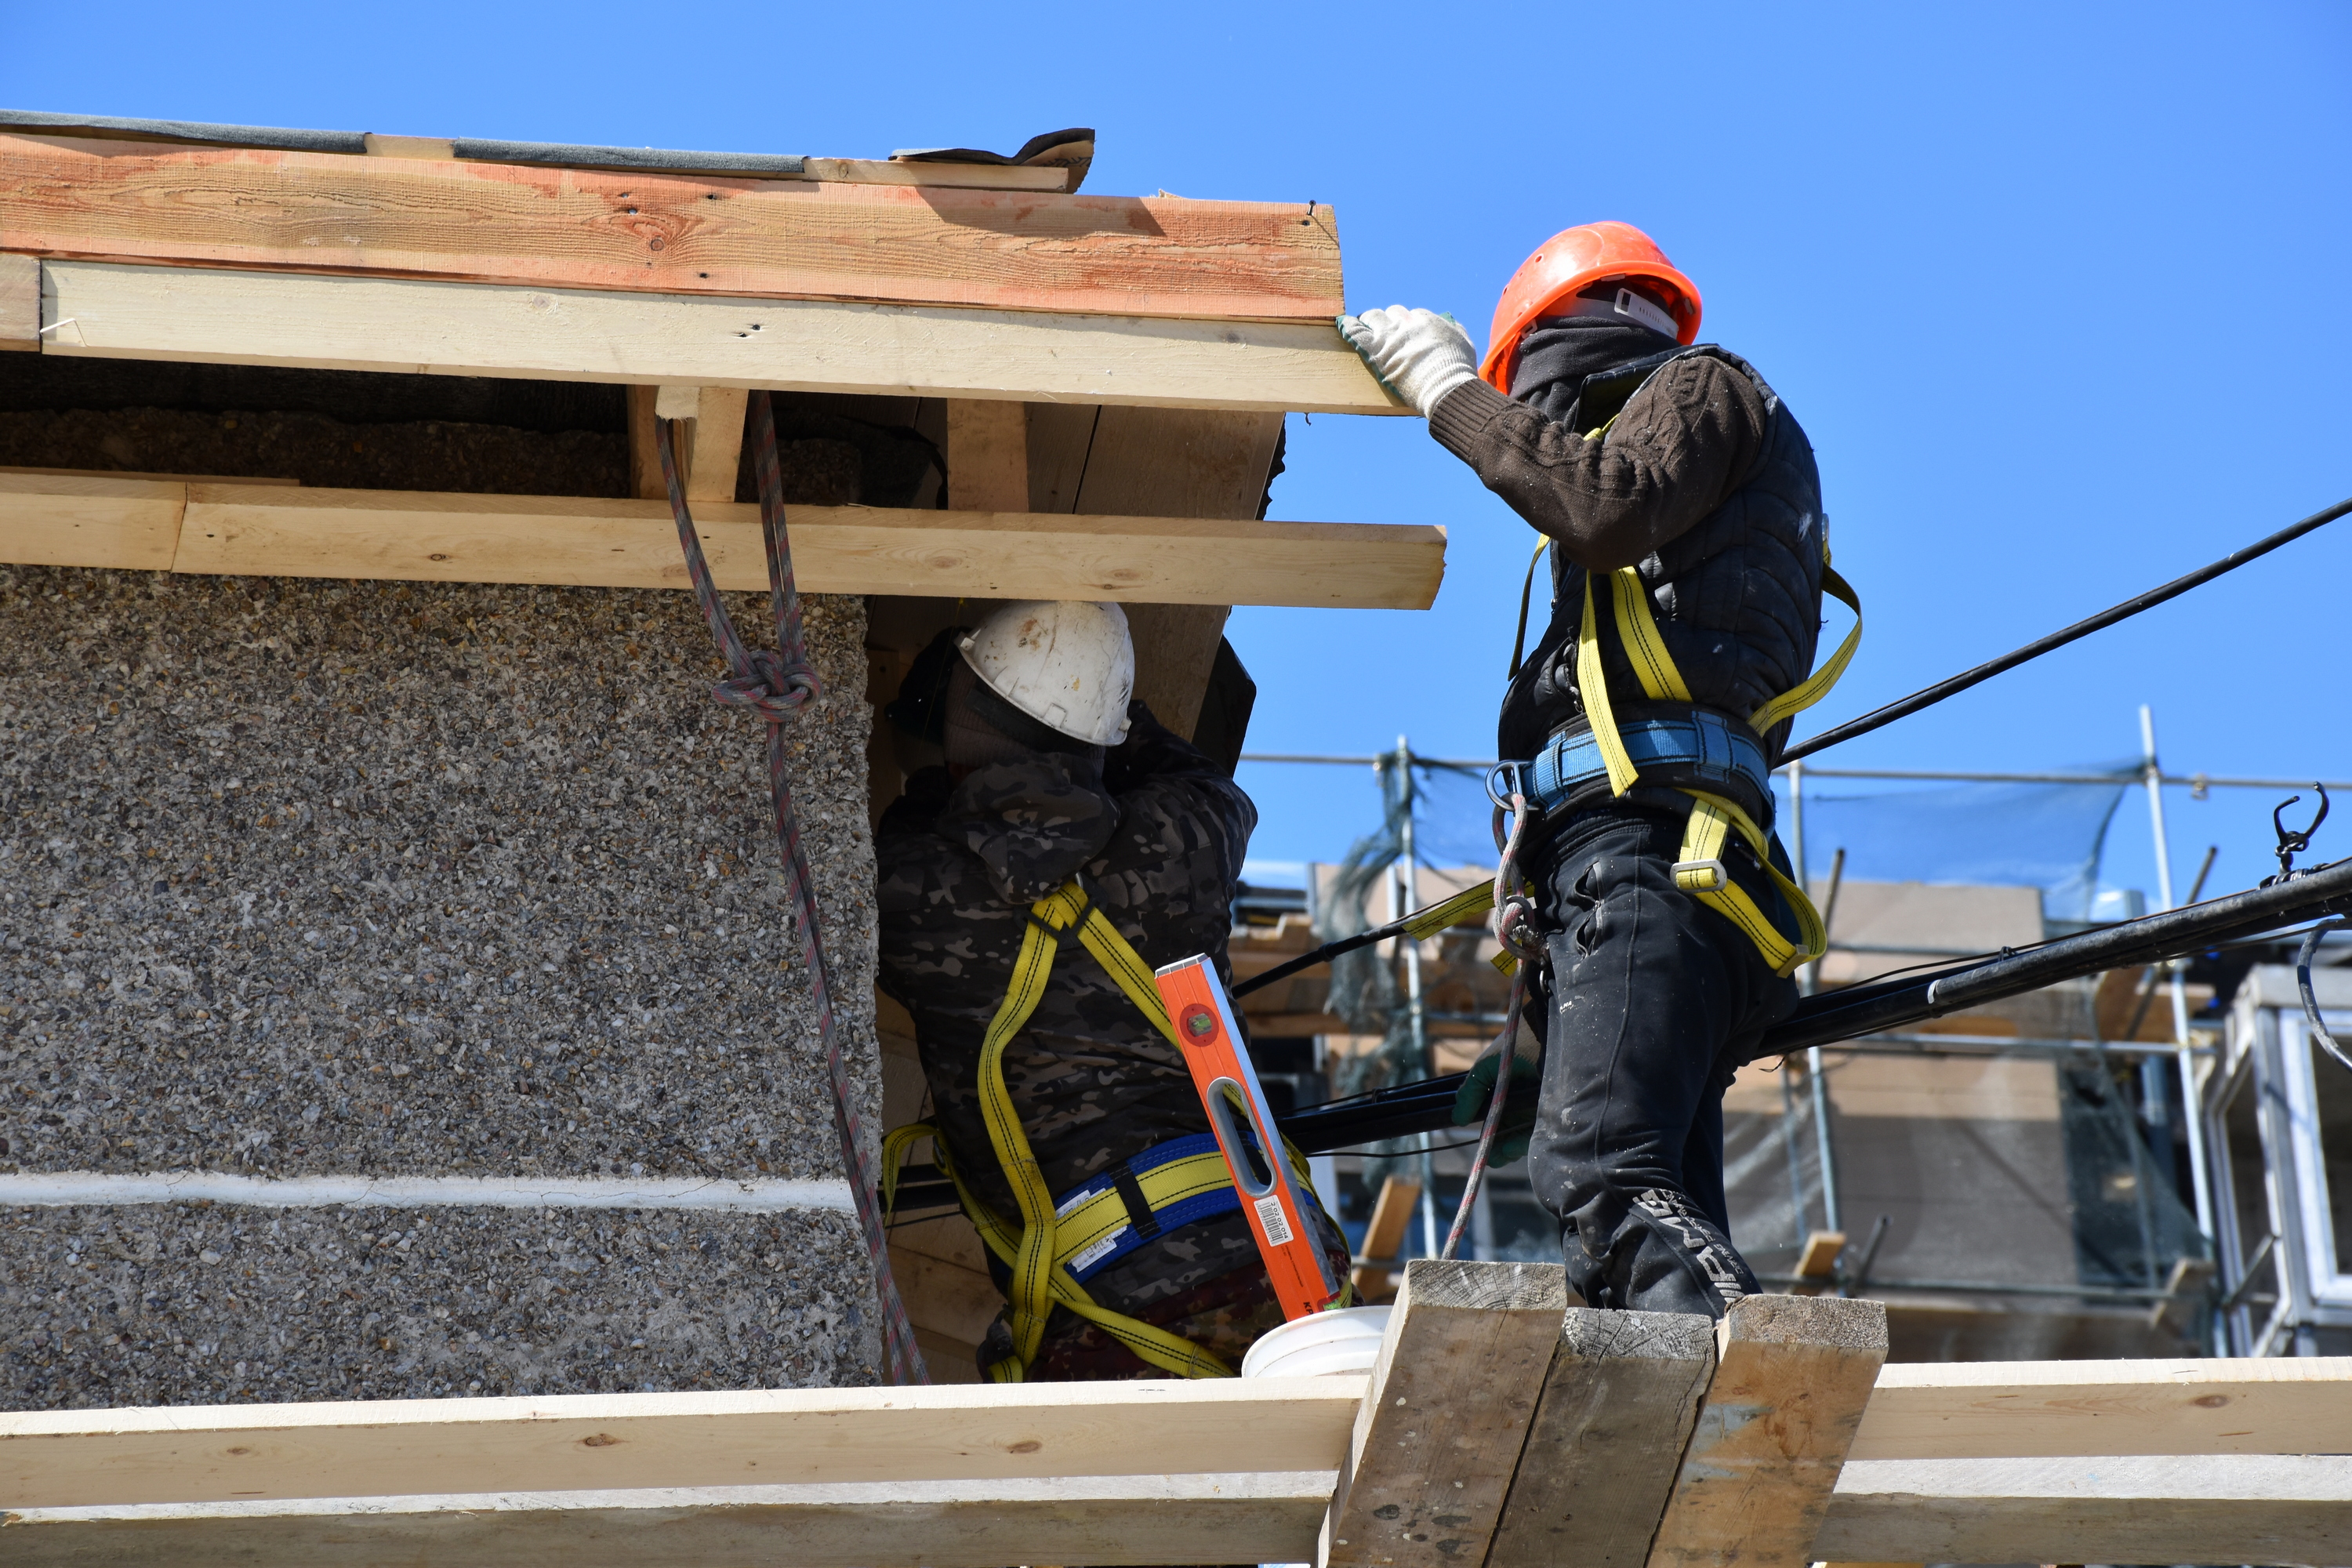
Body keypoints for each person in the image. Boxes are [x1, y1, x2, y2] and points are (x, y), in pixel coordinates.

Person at [1338, 221, 1853, 1317]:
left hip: (1652, 856)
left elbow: (1602, 506)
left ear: (1569, 330)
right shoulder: (1698, 502)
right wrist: (1564, 1040)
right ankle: (1697, 1389)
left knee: (1602, 1170)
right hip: (1651, 868)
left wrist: (1448, 394)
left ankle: (1734, 1363)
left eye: (1519, 382)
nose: (1530, 415)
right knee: (1625, 1205)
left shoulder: (1705, 389)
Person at [874, 599, 1351, 1380]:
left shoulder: (917, 898)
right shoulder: (1184, 840)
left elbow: (901, 821)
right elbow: (1190, 774)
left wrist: (945, 754)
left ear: (959, 734)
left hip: (1116, 1302)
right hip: (1279, 1255)